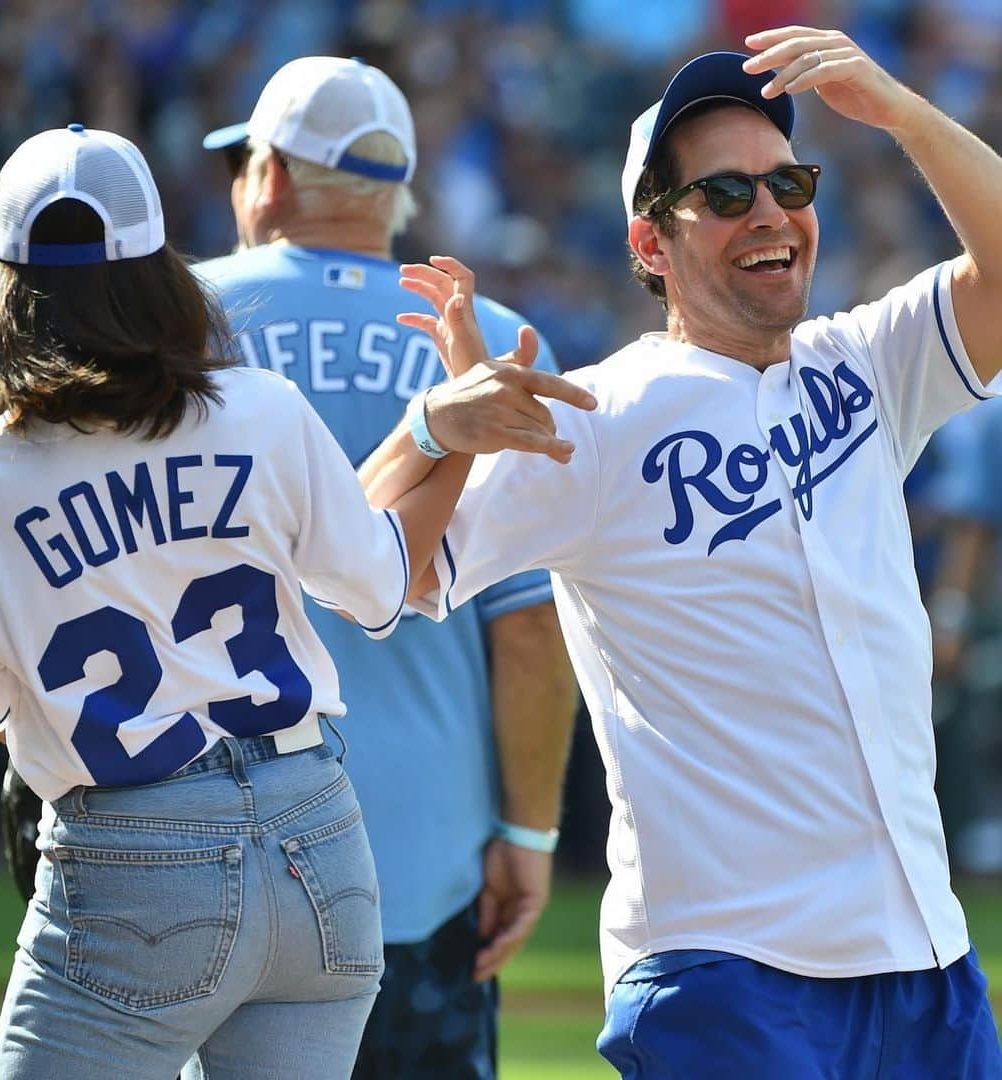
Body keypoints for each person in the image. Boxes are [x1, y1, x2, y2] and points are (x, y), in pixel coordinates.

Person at [359, 26, 1002, 1079]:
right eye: (724, 195)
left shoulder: (869, 360)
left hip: (922, 953)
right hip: (726, 968)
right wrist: (435, 430)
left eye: (787, 182)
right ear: (651, 245)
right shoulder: (596, 417)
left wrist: (900, 110)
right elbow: (372, 566)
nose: (768, 212)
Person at [0, 123, 592, 1080]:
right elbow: (379, 584)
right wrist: (438, 434)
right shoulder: (261, 407)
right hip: (317, 839)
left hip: (130, 853)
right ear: (160, 273)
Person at [196, 56, 578, 1077]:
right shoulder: (490, 340)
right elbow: (532, 628)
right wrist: (527, 836)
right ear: (395, 193)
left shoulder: (174, 323)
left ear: (268, 175)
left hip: (211, 857)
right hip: (422, 867)